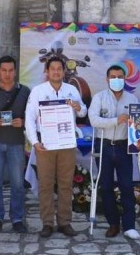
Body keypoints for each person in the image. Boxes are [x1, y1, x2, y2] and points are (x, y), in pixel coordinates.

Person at [25, 55, 88, 237]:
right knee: (45, 184)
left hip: (67, 144)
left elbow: (83, 111)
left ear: (64, 71)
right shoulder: (38, 91)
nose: (56, 72)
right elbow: (29, 118)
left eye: (59, 69)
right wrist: (35, 142)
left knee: (65, 184)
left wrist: (77, 107)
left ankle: (64, 222)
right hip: (45, 144)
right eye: (52, 68)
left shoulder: (71, 90)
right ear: (47, 71)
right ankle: (47, 223)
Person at [0, 55, 31, 234]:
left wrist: (23, 122)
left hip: (16, 143)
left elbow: (33, 118)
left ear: (15, 71)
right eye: (4, 70)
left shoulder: (25, 91)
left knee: (18, 183)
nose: (7, 74)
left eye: (11, 70)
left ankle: (17, 219)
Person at [89, 64, 140, 240]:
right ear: (107, 79)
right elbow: (94, 120)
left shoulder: (132, 98)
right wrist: (116, 121)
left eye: (120, 77)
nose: (117, 80)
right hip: (103, 145)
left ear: (125, 79)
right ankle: (113, 223)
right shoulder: (99, 98)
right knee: (106, 186)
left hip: (124, 146)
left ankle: (129, 225)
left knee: (127, 185)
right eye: (113, 77)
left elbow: (139, 124)